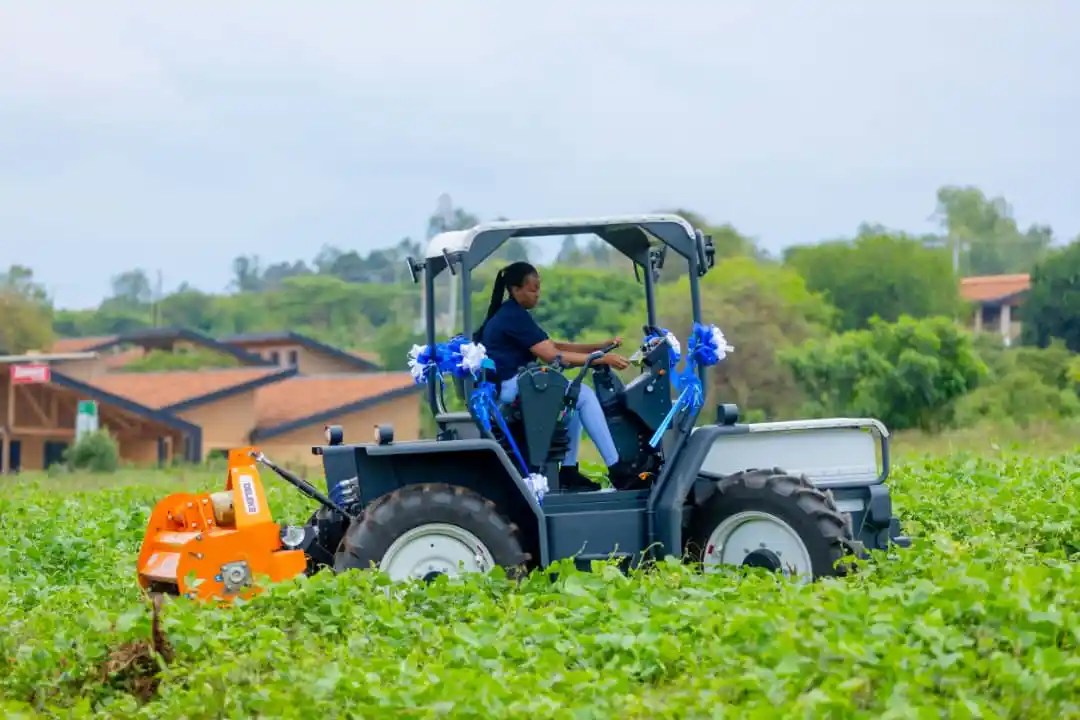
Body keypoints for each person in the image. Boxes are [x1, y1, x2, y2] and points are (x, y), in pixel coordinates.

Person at [473, 260, 638, 491]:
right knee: (585, 396)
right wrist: (602, 359)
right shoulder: (512, 316)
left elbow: (553, 345)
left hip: (511, 385)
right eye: (533, 289)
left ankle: (568, 472)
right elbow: (554, 357)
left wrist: (599, 347)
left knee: (573, 398)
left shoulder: (513, 313)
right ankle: (618, 469)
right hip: (509, 388)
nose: (537, 295)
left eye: (538, 289)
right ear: (515, 290)